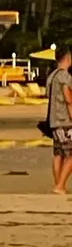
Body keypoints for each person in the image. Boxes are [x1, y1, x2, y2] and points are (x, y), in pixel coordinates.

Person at [47, 44, 72, 194]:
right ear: (67, 58)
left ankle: (59, 184)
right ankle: (60, 185)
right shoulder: (64, 76)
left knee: (58, 154)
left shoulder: (52, 76)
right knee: (70, 154)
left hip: (53, 120)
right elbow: (68, 99)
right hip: (65, 121)